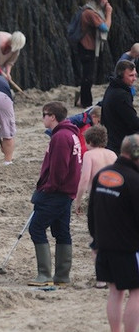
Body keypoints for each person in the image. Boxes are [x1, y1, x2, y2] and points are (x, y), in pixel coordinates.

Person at [88, 134, 139, 331]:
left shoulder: (102, 175)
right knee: (136, 292)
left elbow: (91, 211)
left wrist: (95, 240)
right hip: (129, 247)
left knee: (115, 293)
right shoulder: (134, 180)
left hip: (104, 245)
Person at [28, 102, 82, 286]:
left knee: (36, 227)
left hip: (57, 192)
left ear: (52, 116)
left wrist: (47, 188)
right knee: (61, 231)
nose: (42, 118)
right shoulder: (71, 134)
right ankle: (62, 276)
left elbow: (60, 168)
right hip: (66, 192)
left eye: (44, 115)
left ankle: (45, 275)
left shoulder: (60, 137)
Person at [76, 0, 112, 108]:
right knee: (88, 76)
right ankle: (86, 102)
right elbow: (105, 28)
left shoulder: (91, 10)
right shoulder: (90, 13)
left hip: (87, 47)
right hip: (87, 48)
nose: (106, 2)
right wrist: (109, 13)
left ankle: (81, 99)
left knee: (87, 75)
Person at [75, 125, 117, 215]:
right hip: (114, 194)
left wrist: (78, 201)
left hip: (98, 195)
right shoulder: (112, 154)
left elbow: (85, 179)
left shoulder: (89, 155)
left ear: (89, 141)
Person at [101, 60, 139, 153]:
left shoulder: (111, 88)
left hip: (111, 139)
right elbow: (133, 122)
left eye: (135, 75)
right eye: (131, 75)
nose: (134, 79)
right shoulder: (121, 95)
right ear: (121, 75)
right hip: (119, 144)